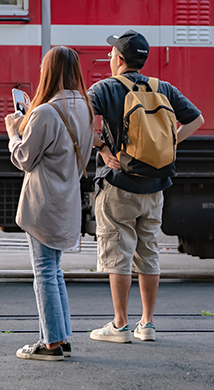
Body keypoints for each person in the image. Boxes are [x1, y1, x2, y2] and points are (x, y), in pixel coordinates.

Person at [88, 30, 204, 343]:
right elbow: (196, 120)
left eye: (113, 53)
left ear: (119, 59)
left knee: (118, 253)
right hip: (155, 186)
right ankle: (148, 323)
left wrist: (101, 147)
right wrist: (169, 143)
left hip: (119, 185)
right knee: (149, 253)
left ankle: (120, 325)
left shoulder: (106, 88)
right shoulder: (162, 87)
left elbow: (79, 116)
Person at [5, 46, 94, 361]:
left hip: (42, 202)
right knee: (54, 269)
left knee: (43, 269)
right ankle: (61, 337)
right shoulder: (84, 107)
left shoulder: (44, 112)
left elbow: (24, 159)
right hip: (66, 199)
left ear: (49, 72)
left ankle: (52, 343)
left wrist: (13, 132)